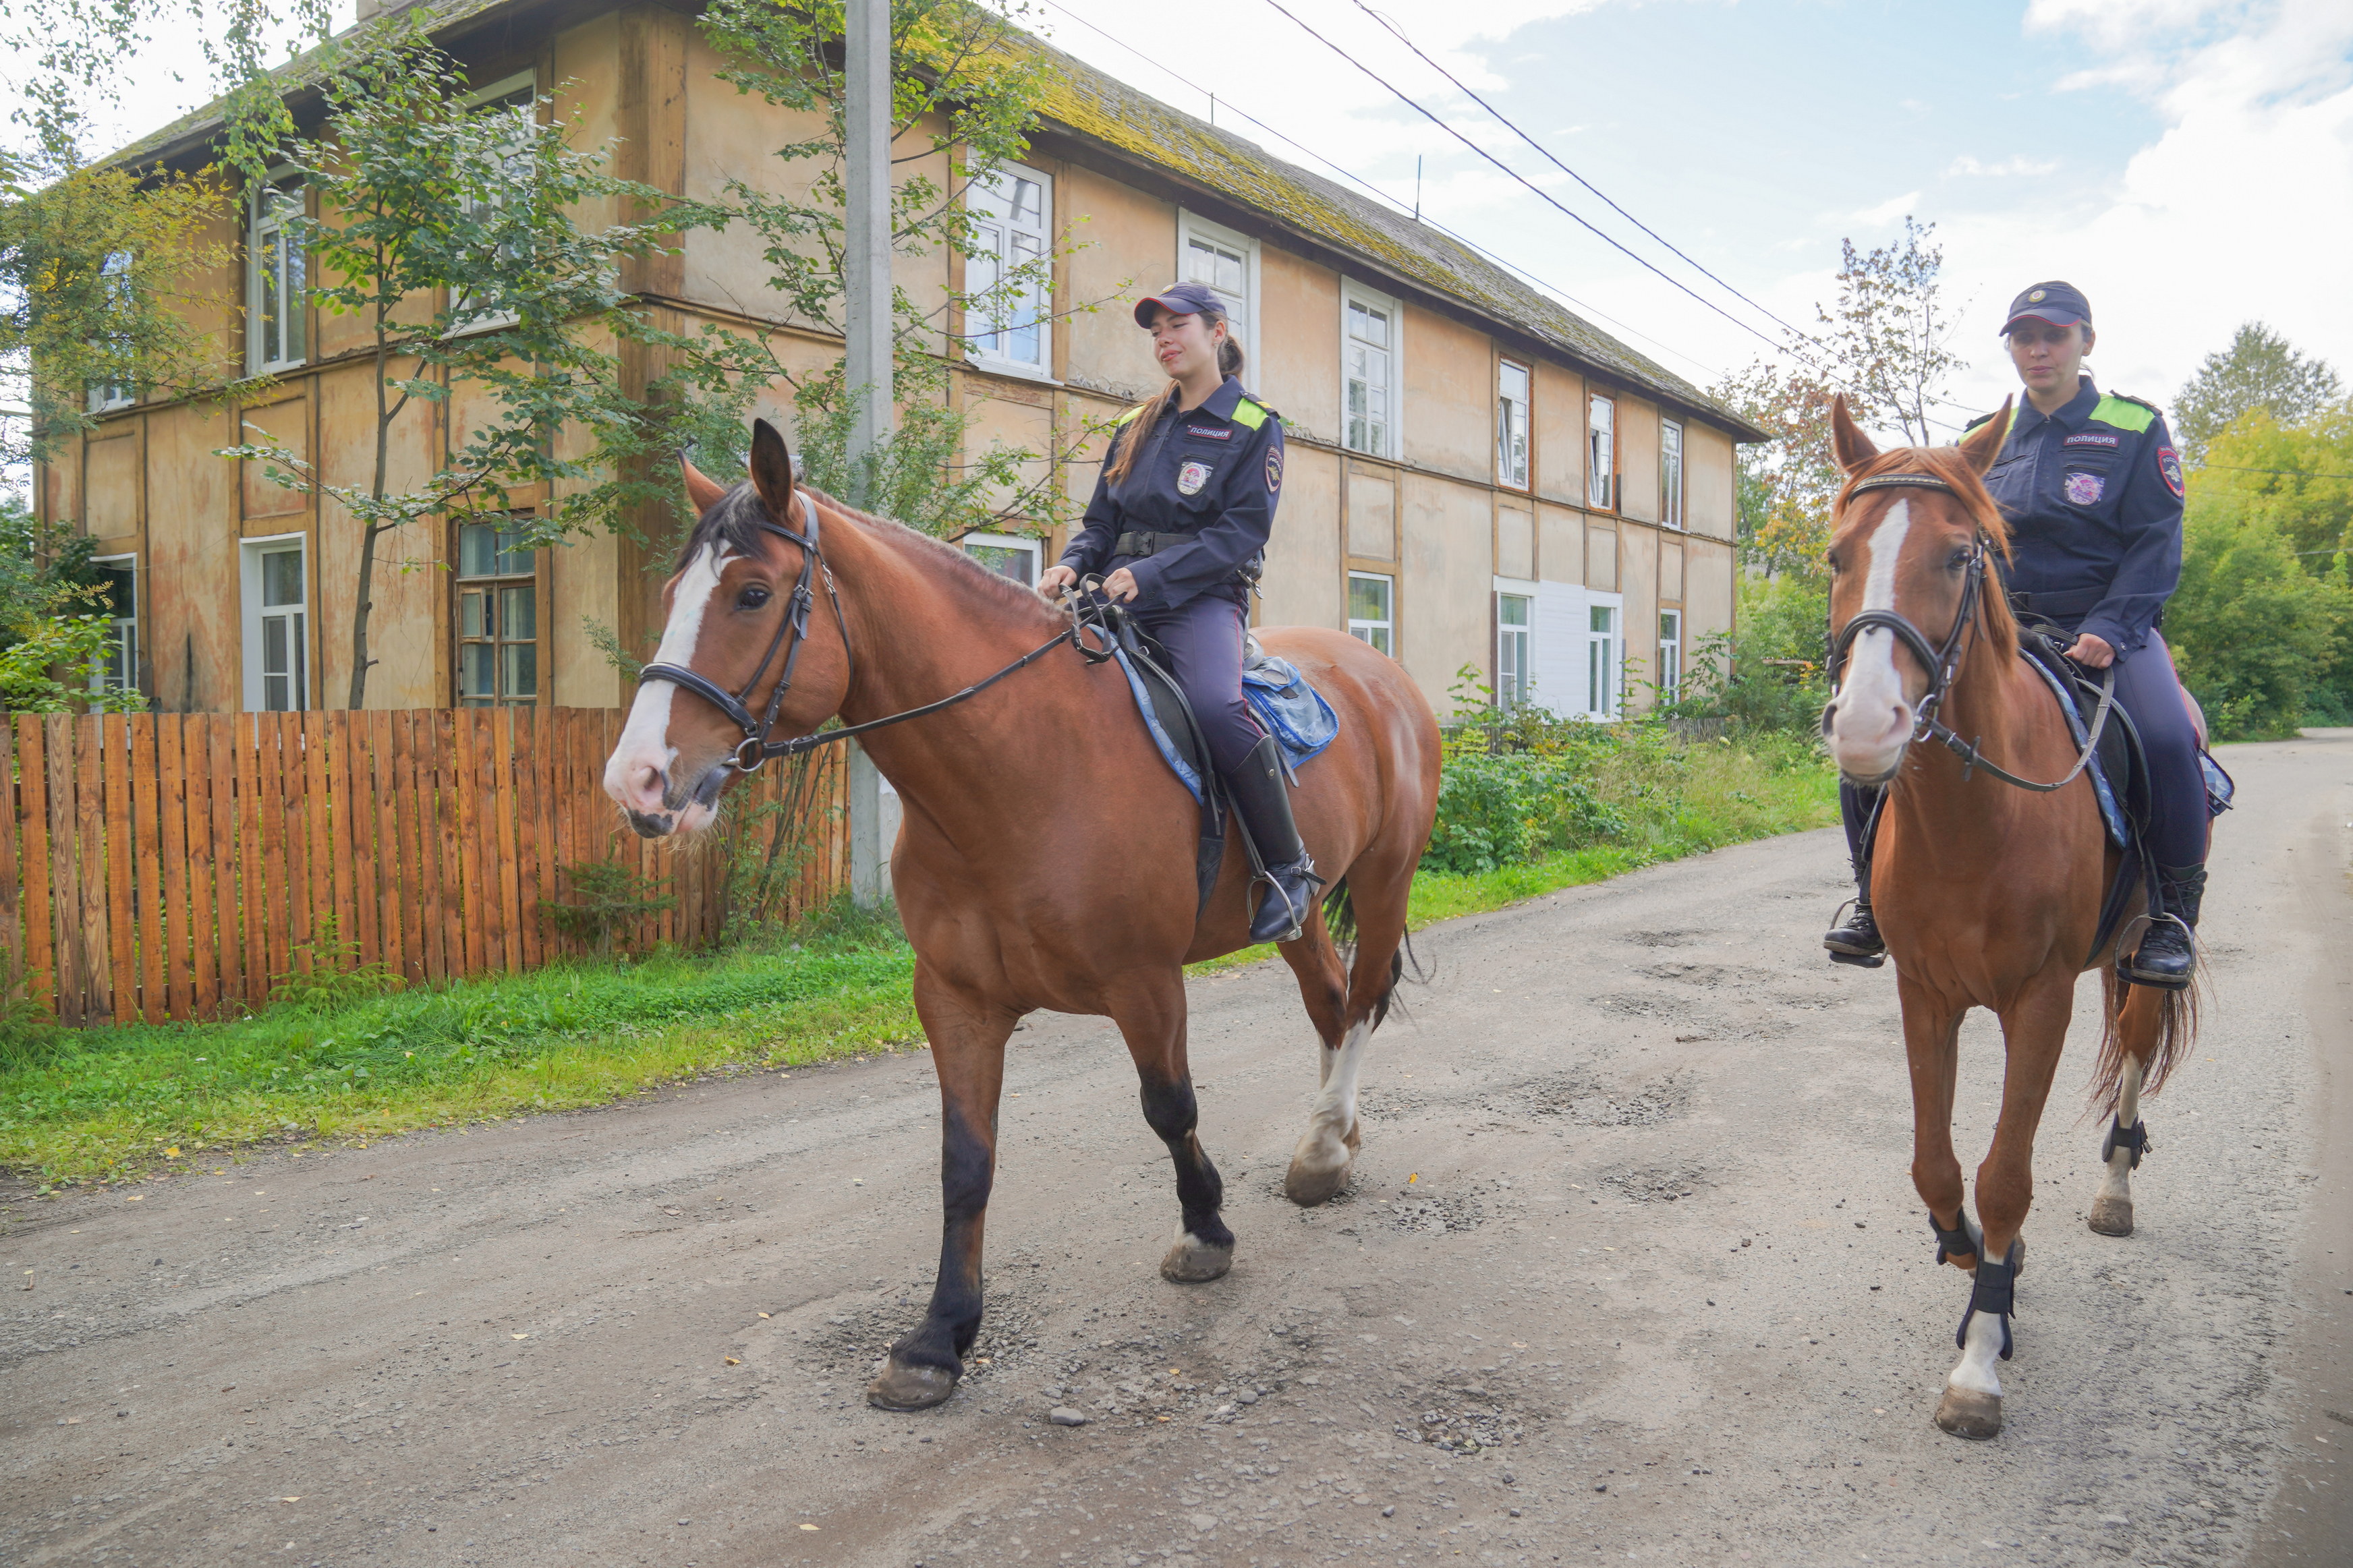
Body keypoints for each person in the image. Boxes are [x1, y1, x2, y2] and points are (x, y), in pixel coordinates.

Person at [1825, 280, 2209, 987]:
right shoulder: (1981, 440)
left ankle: (2169, 917)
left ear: (2085, 341)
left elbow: (2157, 544)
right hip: (1998, 630)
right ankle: (1871, 902)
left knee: (2166, 739)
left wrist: (2110, 626)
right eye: (2024, 337)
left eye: (2054, 335)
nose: (2038, 350)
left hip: (2107, 629)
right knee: (1875, 729)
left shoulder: (2133, 426)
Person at [1037, 282, 1320, 943]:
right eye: (1155, 330)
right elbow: (1100, 523)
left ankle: (1289, 867)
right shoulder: (1135, 424)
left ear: (1216, 332)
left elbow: (1240, 533)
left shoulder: (1253, 423)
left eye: (1177, 325)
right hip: (1112, 595)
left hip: (1199, 600)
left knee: (1216, 708)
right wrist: (1072, 563)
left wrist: (1151, 575)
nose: (1164, 339)